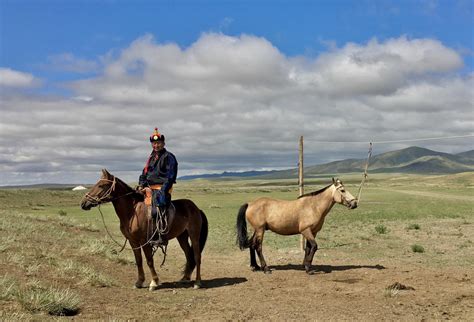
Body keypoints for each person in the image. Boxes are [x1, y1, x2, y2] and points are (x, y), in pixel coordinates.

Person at [138, 127, 178, 246]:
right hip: (149, 188)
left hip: (163, 187)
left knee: (156, 209)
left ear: (163, 143)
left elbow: (170, 176)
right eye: (154, 143)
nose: (156, 145)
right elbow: (145, 173)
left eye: (158, 143)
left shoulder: (169, 157)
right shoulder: (151, 158)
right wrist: (141, 185)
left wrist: (163, 190)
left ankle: (161, 235)